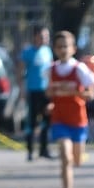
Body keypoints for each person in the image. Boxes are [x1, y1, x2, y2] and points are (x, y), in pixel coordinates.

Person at [46, 31, 94, 188]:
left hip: (78, 120)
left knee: (76, 160)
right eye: (59, 46)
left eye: (65, 46)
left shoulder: (80, 69)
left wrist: (74, 92)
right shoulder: (51, 69)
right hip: (59, 119)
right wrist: (52, 101)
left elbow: (91, 93)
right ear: (55, 49)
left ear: (73, 49)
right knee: (65, 158)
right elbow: (48, 92)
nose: (62, 50)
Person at [20, 25, 53, 160]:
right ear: (35, 36)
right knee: (32, 122)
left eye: (46, 36)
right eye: (42, 36)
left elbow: (51, 71)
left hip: (46, 92)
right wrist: (22, 89)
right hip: (32, 91)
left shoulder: (48, 51)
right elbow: (20, 71)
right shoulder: (27, 52)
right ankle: (30, 151)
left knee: (47, 120)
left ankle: (44, 149)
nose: (45, 39)